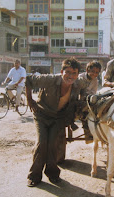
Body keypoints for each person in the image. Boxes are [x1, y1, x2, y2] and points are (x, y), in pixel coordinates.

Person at [25, 57, 89, 187]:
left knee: (53, 145)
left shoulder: (78, 83)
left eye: (74, 73)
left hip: (59, 117)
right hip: (42, 115)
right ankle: (34, 176)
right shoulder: (50, 79)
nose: (70, 76)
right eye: (68, 72)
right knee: (42, 143)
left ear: (77, 75)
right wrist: (30, 100)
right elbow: (28, 80)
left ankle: (53, 174)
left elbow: (85, 88)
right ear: (61, 71)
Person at [78, 61, 102, 143]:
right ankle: (88, 134)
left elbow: (93, 92)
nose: (94, 74)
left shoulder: (95, 80)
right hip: (78, 101)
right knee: (85, 114)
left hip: (88, 100)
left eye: (97, 72)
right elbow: (76, 92)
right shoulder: (80, 77)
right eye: (92, 71)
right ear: (87, 70)